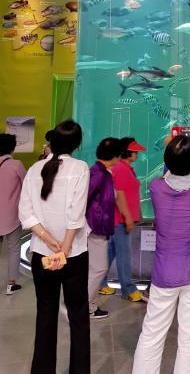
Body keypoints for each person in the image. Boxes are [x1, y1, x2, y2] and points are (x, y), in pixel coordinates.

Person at [132, 135, 190, 374]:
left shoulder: (156, 187)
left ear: (167, 162)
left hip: (163, 274)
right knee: (189, 338)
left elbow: (168, 176)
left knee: (151, 333)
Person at [19, 119, 90, 374]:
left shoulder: (34, 169)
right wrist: (64, 249)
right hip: (74, 255)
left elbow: (25, 212)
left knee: (45, 315)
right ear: (77, 144)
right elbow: (76, 214)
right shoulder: (80, 168)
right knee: (78, 316)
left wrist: (48, 240)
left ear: (52, 141)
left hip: (42, 254)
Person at [100, 137, 145, 302]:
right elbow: (118, 195)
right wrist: (127, 218)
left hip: (120, 219)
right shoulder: (121, 168)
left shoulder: (125, 168)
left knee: (111, 252)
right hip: (120, 220)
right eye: (135, 151)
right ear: (127, 152)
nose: (137, 154)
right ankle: (128, 289)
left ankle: (99, 282)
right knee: (123, 254)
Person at [86, 137, 120, 319]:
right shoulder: (98, 174)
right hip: (95, 226)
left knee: (95, 268)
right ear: (114, 155)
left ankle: (90, 305)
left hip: (98, 226)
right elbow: (85, 198)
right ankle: (83, 306)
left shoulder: (102, 172)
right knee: (99, 268)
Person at [0, 132, 26, 294]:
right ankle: (11, 283)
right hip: (12, 215)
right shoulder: (16, 165)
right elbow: (27, 185)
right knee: (14, 248)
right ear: (12, 148)